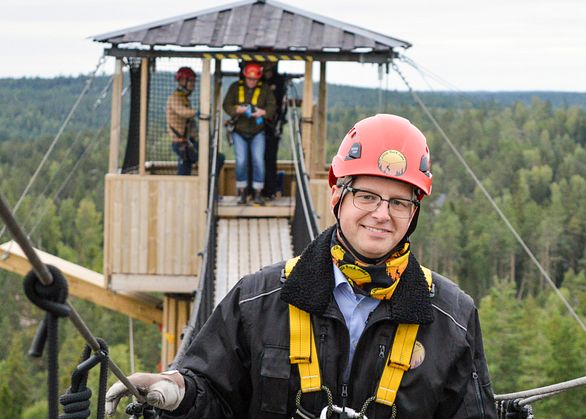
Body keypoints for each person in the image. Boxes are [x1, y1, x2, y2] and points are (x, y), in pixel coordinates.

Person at [105, 114, 498, 418]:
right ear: (336, 194)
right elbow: (217, 396)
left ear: (414, 213)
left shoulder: (451, 317)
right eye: (366, 196)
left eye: (400, 202)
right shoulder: (258, 300)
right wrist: (181, 392)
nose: (382, 214)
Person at [223, 62, 277, 205]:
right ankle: (242, 193)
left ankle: (258, 193)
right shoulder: (235, 88)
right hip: (239, 131)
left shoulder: (265, 90)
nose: (252, 82)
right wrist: (237, 110)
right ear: (245, 76)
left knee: (258, 161)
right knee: (241, 161)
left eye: (254, 79)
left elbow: (272, 106)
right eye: (249, 79)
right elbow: (226, 105)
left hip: (257, 132)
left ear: (259, 78)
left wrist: (262, 112)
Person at [261, 62, 288, 200]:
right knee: (257, 159)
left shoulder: (279, 84)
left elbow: (281, 107)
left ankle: (269, 190)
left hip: (273, 127)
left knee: (270, 159)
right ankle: (257, 190)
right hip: (258, 127)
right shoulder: (259, 82)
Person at [166, 67, 199, 175]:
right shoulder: (175, 98)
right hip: (180, 142)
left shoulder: (185, 98)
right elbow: (181, 111)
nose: (193, 84)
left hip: (187, 141)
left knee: (185, 167)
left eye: (193, 81)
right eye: (190, 81)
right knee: (211, 158)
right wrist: (196, 112)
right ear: (181, 81)